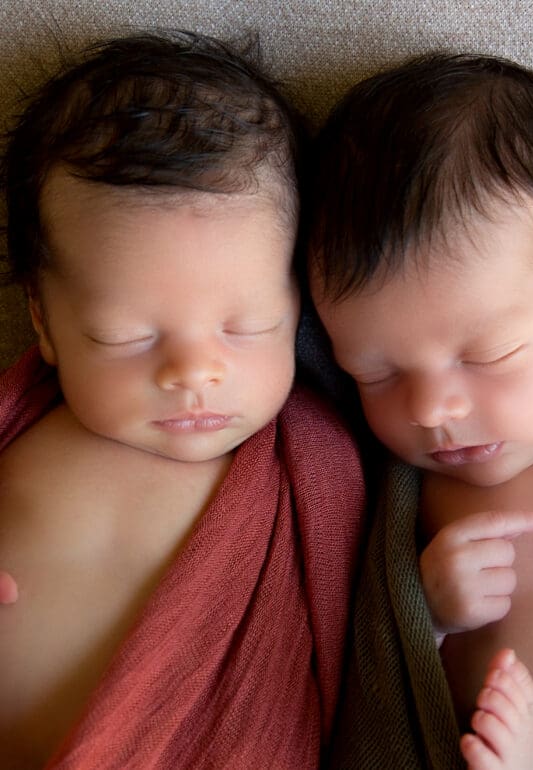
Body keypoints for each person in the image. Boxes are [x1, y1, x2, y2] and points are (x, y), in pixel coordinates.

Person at [0, 31, 364, 768]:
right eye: (125, 336)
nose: (193, 372)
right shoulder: (22, 430)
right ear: (44, 318)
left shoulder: (321, 471)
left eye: (247, 326)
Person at [307, 52, 533, 769]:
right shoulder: (397, 496)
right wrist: (421, 612)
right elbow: (357, 676)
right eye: (373, 373)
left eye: (489, 354)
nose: (432, 408)